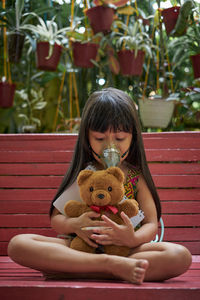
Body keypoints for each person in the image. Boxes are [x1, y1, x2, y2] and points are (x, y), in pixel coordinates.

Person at [8, 87, 192, 284]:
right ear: (87, 138)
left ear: (133, 137)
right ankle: (109, 266)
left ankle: (78, 268)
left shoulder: (135, 177)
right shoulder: (86, 176)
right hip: (80, 246)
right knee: (19, 244)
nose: (110, 146)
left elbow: (150, 223)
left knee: (179, 255)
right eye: (99, 138)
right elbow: (56, 219)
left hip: (126, 250)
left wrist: (132, 239)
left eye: (120, 138)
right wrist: (74, 225)